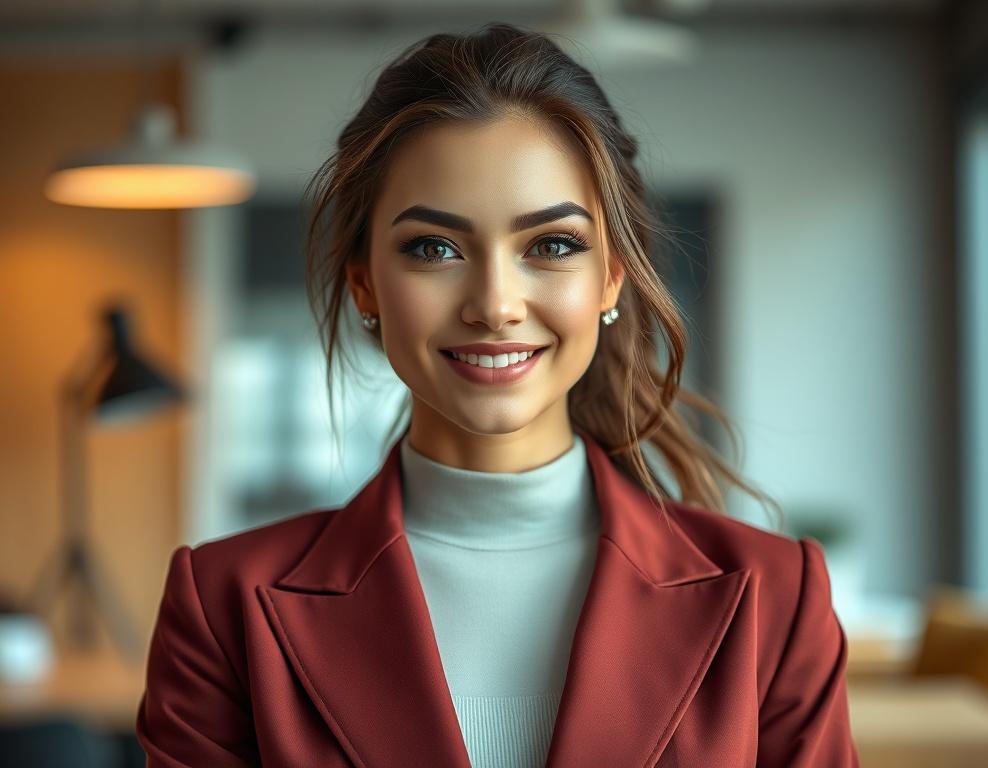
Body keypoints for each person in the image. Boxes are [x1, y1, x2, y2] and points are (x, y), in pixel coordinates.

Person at [136, 22, 859, 768]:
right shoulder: (223, 608)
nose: (494, 305)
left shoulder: (775, 598)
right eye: (434, 248)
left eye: (552, 245)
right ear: (364, 284)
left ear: (611, 277)